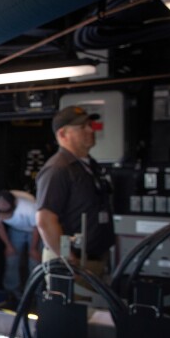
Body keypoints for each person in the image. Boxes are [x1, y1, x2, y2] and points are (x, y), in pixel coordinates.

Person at [36, 105, 115, 277]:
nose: (90, 130)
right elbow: (45, 221)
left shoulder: (89, 166)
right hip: (73, 263)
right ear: (63, 134)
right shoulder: (58, 169)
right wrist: (69, 260)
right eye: (82, 127)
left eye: (89, 125)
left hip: (93, 261)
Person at [0, 189, 41, 303]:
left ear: (14, 206)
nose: (4, 218)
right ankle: (12, 291)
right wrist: (8, 245)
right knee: (11, 257)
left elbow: (37, 227)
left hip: (35, 230)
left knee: (35, 261)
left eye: (7, 215)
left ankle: (36, 293)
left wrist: (33, 248)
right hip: (16, 229)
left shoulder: (29, 207)